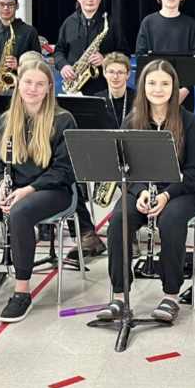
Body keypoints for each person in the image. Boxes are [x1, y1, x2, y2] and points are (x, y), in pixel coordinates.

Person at [0, 60, 76, 322]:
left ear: (48, 88)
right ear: (18, 84)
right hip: (11, 188)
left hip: (52, 190)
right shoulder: (5, 120)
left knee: (21, 213)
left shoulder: (63, 119)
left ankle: (22, 293)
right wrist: (0, 186)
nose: (33, 88)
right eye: (28, 82)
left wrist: (28, 190)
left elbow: (65, 170)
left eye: (40, 84)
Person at [96, 60, 195, 325]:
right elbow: (124, 170)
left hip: (181, 193)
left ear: (174, 87)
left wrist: (166, 195)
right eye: (152, 83)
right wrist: (141, 191)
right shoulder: (131, 122)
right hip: (139, 191)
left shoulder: (189, 122)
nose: (158, 89)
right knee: (118, 222)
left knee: (170, 222)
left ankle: (171, 296)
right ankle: (120, 296)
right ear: (143, 86)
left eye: (165, 84)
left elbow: (193, 174)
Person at [63, 51, 135, 263]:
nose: (115, 77)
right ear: (104, 73)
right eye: (111, 72)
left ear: (128, 74)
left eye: (120, 72)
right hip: (101, 154)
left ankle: (128, 233)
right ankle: (87, 233)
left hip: (130, 155)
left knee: (134, 179)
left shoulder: (139, 99)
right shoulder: (95, 100)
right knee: (67, 177)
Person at [53, 0, 130, 98]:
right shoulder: (69, 23)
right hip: (73, 88)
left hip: (103, 89)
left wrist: (105, 59)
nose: (90, 0)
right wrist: (63, 65)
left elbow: (125, 54)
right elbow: (58, 51)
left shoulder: (111, 24)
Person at [136, 0, 195, 110]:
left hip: (183, 93)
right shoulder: (148, 22)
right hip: (155, 92)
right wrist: (154, 89)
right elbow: (141, 56)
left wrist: (184, 90)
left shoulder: (190, 24)